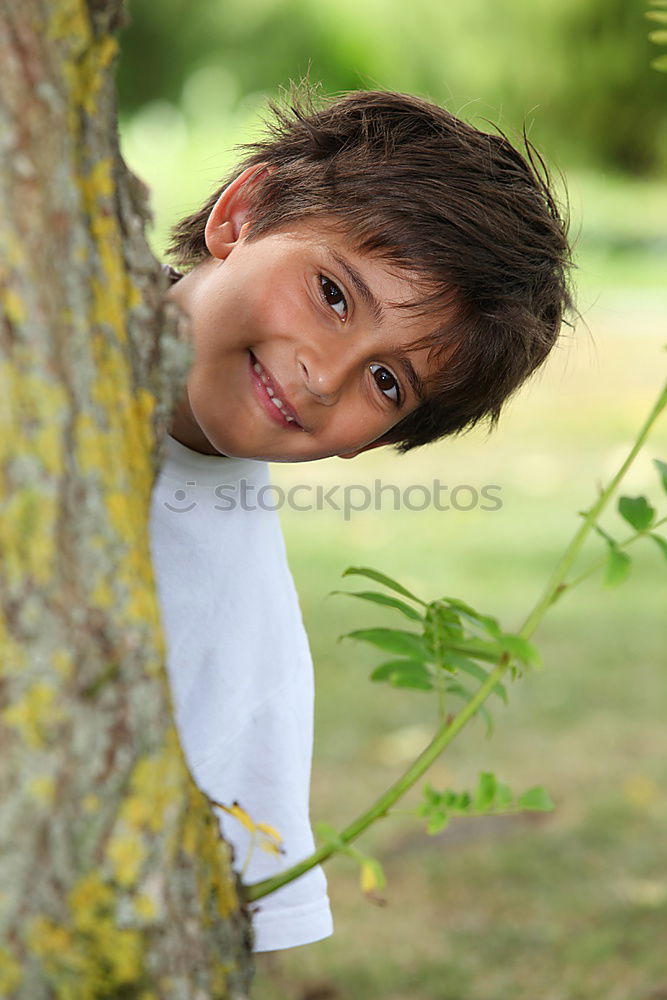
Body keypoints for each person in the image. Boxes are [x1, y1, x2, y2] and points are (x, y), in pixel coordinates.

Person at [149, 88, 572, 953]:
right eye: (333, 295)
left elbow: (210, 932)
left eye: (388, 385)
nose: (323, 376)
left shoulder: (245, 642)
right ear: (241, 213)